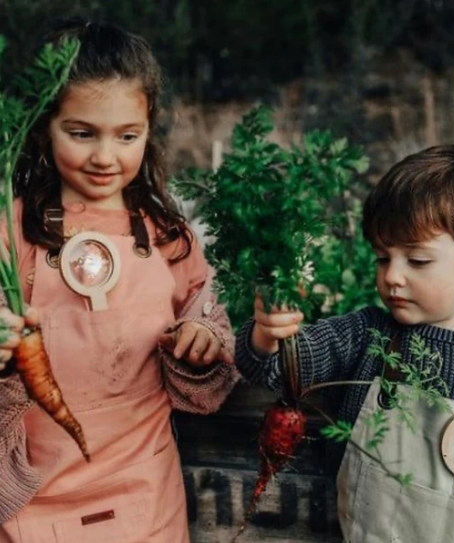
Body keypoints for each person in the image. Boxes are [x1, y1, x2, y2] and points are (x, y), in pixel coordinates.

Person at [0, 17, 239, 543]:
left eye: (127, 136)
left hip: (142, 489)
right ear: (44, 127)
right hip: (33, 493)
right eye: (81, 133)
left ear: (149, 129)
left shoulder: (169, 236)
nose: (105, 157)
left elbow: (207, 310)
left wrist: (202, 340)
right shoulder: (11, 230)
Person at [235, 145, 454, 542]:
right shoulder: (366, 337)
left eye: (417, 260)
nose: (393, 276)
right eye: (383, 258)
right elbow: (272, 367)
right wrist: (269, 332)